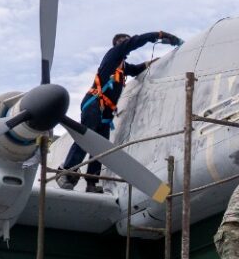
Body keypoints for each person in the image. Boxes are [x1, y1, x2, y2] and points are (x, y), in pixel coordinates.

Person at [62, 30, 182, 190]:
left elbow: (136, 69)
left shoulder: (121, 67)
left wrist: (153, 63)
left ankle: (91, 183)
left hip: (105, 113)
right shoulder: (113, 54)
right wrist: (159, 35)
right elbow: (135, 41)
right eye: (125, 41)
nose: (128, 42)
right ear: (118, 44)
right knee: (87, 138)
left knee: (100, 147)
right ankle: (67, 173)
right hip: (94, 103)